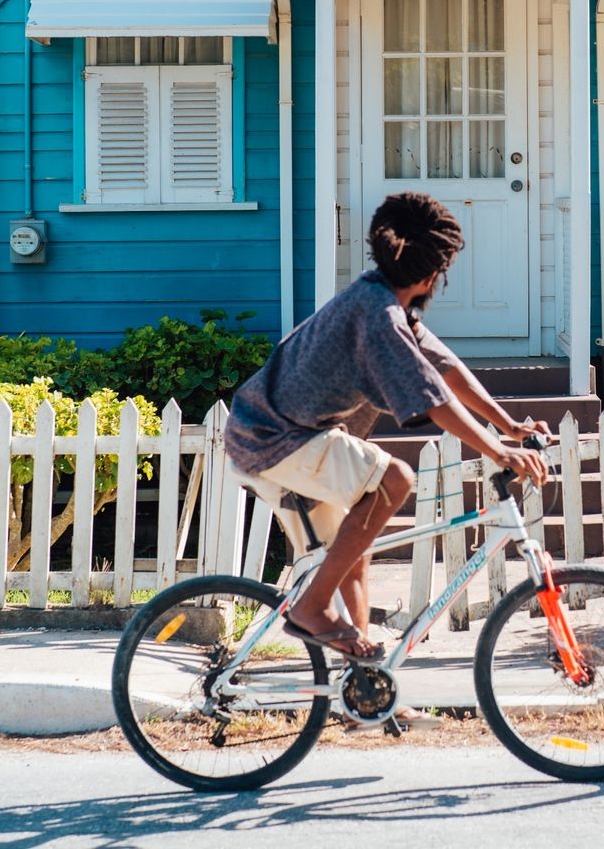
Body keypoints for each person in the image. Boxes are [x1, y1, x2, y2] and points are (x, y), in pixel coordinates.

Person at [225, 191, 549, 662]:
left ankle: (366, 692)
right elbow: (434, 399)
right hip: (278, 437)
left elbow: (445, 367)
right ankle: (312, 607)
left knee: (352, 555)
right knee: (395, 479)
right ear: (428, 275)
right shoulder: (379, 317)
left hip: (269, 433)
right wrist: (499, 452)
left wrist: (510, 426)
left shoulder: (380, 298)